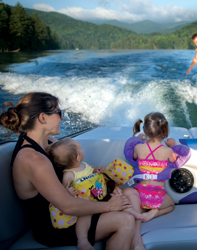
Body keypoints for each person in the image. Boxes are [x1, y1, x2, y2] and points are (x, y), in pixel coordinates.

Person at [0, 92, 146, 250]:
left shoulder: (49, 142)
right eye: (58, 113)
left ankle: (137, 243)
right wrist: (110, 206)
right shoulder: (33, 159)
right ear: (43, 118)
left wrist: (107, 182)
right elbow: (67, 206)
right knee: (125, 220)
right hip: (57, 225)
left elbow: (77, 168)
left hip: (73, 210)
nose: (61, 118)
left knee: (131, 194)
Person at [46, 137, 144, 250]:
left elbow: (95, 172)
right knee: (84, 220)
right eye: (80, 148)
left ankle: (131, 212)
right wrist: (68, 191)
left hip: (99, 197)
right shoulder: (69, 174)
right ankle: (82, 240)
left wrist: (100, 170)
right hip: (86, 205)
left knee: (120, 196)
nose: (82, 149)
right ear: (78, 157)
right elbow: (62, 190)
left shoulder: (85, 165)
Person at [133, 112, 177, 222]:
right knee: (171, 205)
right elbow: (174, 160)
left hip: (140, 196)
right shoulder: (167, 151)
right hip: (156, 198)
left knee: (141, 205)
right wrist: (173, 146)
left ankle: (143, 211)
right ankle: (154, 212)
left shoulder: (138, 147)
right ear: (164, 130)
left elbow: (134, 157)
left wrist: (137, 138)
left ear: (145, 130)